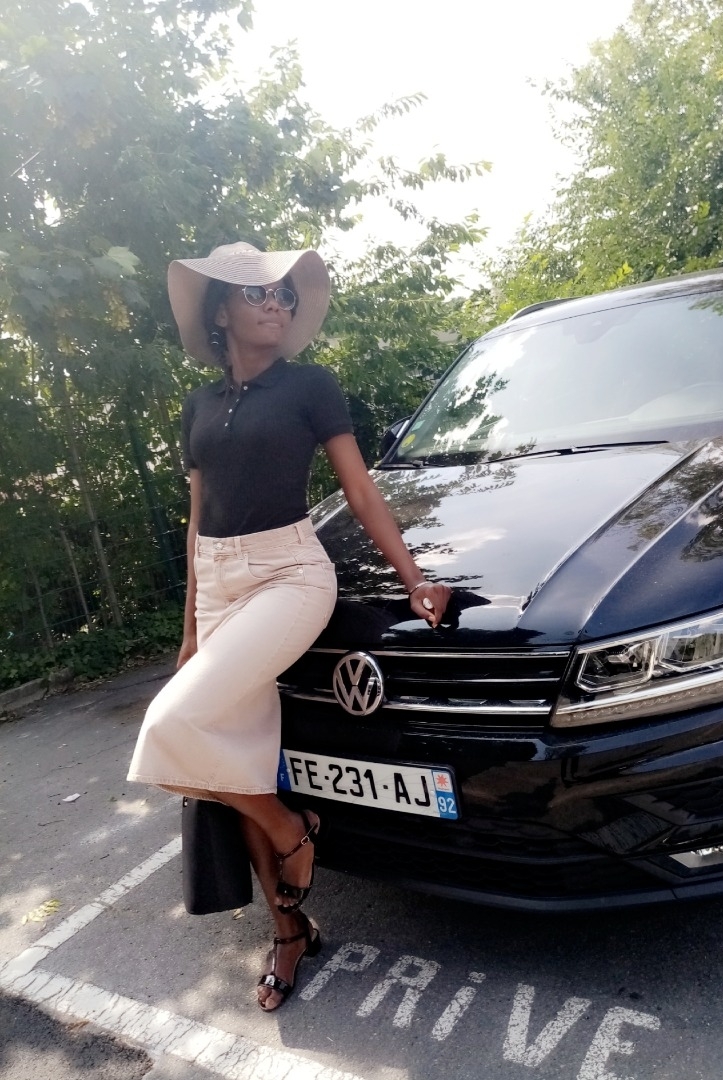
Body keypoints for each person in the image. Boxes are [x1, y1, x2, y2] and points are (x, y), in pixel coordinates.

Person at [127, 241, 451, 1013]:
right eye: (257, 293)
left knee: (170, 726)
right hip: (217, 581)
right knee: (238, 762)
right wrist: (190, 627)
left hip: (288, 574)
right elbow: (198, 518)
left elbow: (359, 489)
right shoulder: (198, 406)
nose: (276, 302)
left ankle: (292, 828)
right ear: (220, 310)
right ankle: (288, 932)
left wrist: (413, 578)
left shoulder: (310, 385)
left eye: (283, 294)